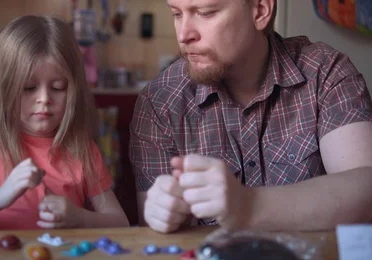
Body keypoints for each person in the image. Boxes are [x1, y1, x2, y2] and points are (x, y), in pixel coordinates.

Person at [130, 0, 372, 233]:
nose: (184, 35)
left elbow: (365, 192)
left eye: (205, 12)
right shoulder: (159, 102)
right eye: (177, 13)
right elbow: (155, 239)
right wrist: (162, 214)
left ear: (260, 11)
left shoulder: (325, 72)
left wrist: (248, 205)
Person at [0, 15, 129, 231]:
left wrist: (80, 218)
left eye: (57, 88)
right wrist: (1, 196)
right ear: (4, 90)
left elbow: (120, 223)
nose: (44, 99)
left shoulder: (82, 151)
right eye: (28, 88)